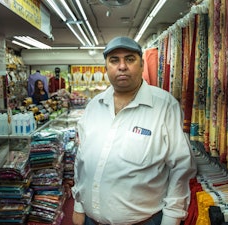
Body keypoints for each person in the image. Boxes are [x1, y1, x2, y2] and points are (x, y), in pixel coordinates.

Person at [71, 36, 197, 225]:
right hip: (90, 220)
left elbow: (181, 167)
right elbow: (82, 161)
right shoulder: (94, 106)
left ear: (142, 65)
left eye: (130, 59)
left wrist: (171, 218)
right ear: (106, 67)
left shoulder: (164, 105)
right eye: (114, 60)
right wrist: (79, 206)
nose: (122, 66)